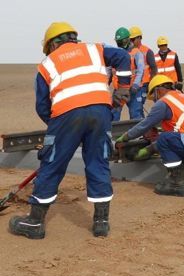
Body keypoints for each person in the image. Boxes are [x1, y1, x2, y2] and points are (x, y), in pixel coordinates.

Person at [9, 22, 131, 239]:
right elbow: (123, 56)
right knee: (98, 162)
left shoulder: (47, 64)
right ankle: (101, 223)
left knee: (52, 164)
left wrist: (58, 132)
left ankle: (35, 223)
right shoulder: (94, 49)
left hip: (65, 114)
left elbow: (43, 106)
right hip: (101, 112)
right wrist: (122, 88)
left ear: (51, 45)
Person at [116, 75, 184, 197]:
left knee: (164, 138)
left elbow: (145, 125)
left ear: (158, 90)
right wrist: (149, 149)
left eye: (154, 97)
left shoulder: (165, 102)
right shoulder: (183, 98)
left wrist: (126, 137)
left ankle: (176, 184)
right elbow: (178, 141)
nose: (155, 101)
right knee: (181, 150)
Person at [110, 27, 145, 121]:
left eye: (122, 41)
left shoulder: (137, 53)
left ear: (128, 39)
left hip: (133, 90)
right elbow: (110, 70)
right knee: (113, 114)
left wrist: (135, 85)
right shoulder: (115, 53)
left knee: (135, 114)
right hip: (119, 90)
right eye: (119, 42)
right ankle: (113, 135)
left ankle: (137, 135)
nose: (120, 44)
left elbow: (140, 71)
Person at [128, 26, 158, 119]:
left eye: (134, 39)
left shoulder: (147, 51)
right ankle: (143, 130)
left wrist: (151, 85)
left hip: (143, 86)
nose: (132, 41)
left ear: (140, 38)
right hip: (131, 86)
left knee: (136, 110)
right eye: (130, 39)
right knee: (136, 109)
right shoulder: (128, 51)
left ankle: (138, 130)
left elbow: (153, 68)